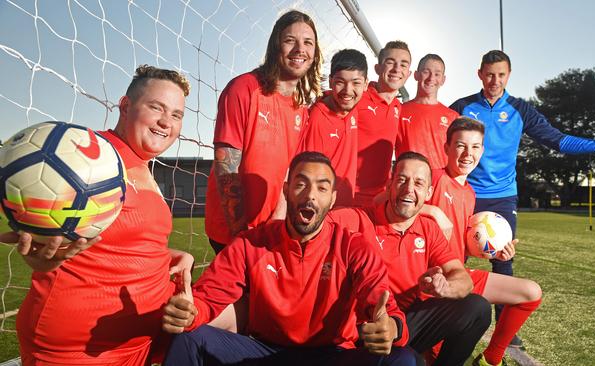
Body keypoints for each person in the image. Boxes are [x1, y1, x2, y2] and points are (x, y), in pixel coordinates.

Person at [2, 65, 194, 365]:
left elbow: (120, 242)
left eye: (176, 114)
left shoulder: (143, 165)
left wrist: (175, 256)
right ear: (126, 106)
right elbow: (49, 241)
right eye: (156, 107)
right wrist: (40, 257)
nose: (165, 122)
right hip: (79, 350)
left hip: (138, 344)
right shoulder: (87, 160)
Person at [449, 50, 595, 346]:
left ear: (508, 75)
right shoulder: (461, 107)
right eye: (489, 74)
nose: (494, 80)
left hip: (502, 198)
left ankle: (505, 330)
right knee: (454, 257)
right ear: (479, 74)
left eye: (501, 74)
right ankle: (450, 319)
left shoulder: (521, 110)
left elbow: (559, 140)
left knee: (503, 260)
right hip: (464, 193)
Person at [161, 152, 417, 366]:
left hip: (332, 356)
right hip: (265, 353)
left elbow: (387, 309)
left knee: (402, 359)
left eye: (322, 187)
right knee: (188, 336)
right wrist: (191, 313)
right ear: (286, 190)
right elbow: (208, 298)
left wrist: (391, 329)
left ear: (333, 198)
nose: (310, 196)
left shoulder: (353, 246)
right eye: (301, 184)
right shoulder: (252, 243)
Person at [425, 117, 542, 366]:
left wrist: (493, 253)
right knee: (433, 357)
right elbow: (387, 203)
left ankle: (491, 359)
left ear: (483, 151)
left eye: (475, 146)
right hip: (432, 280)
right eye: (460, 145)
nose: (468, 154)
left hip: (459, 274)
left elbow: (461, 242)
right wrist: (433, 211)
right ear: (446, 148)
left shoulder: (469, 192)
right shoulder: (432, 178)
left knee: (531, 293)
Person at [204, 10, 322, 254]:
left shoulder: (301, 108)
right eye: (290, 40)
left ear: (315, 53)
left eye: (307, 42)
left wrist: (277, 221)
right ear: (275, 46)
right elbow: (226, 165)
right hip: (232, 233)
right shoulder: (244, 88)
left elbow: (288, 171)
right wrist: (241, 236)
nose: (300, 49)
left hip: (270, 229)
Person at [365, 151, 492, 365]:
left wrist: (443, 287)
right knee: (412, 361)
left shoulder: (428, 229)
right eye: (402, 180)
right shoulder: (362, 222)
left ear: (428, 192)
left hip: (408, 322)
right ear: (390, 184)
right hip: (371, 325)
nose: (409, 189)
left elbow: (463, 279)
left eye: (418, 183)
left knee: (477, 308)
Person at [300, 48, 367, 206]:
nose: (347, 90)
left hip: (345, 208)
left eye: (356, 83)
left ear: (365, 85)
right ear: (330, 82)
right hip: (322, 211)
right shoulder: (317, 118)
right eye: (340, 82)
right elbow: (307, 171)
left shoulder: (353, 109)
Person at [354, 41, 412, 206]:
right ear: (378, 68)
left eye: (403, 65)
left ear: (408, 73)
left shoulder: (398, 108)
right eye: (390, 62)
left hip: (380, 199)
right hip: (348, 193)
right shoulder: (357, 98)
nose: (396, 69)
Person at [396, 54, 459, 170]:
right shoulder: (399, 111)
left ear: (443, 80)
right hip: (409, 184)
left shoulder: (453, 117)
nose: (431, 78)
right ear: (416, 75)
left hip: (440, 184)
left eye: (437, 74)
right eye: (426, 72)